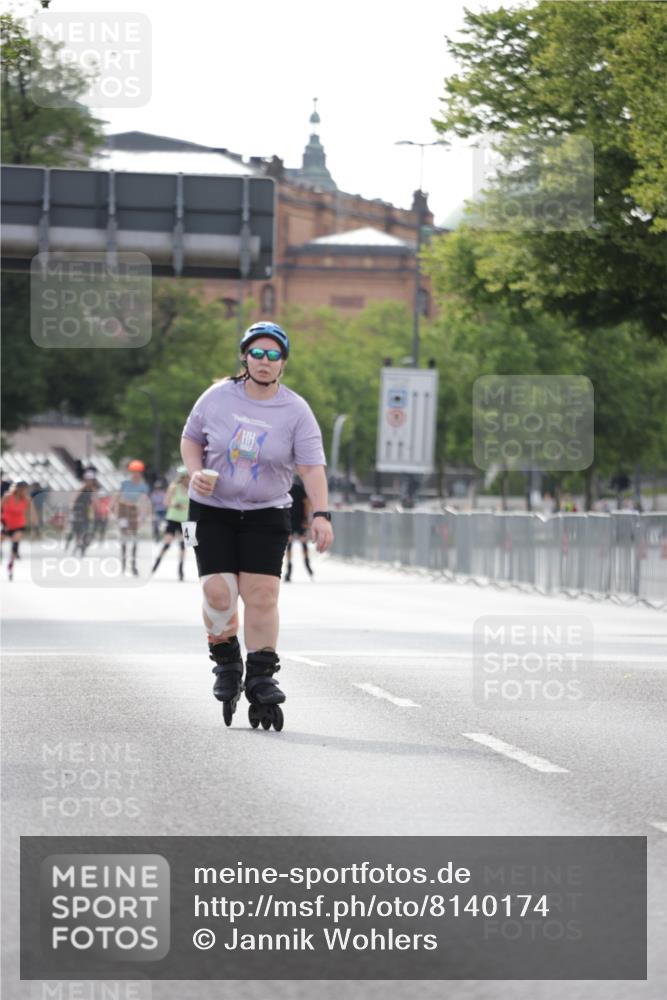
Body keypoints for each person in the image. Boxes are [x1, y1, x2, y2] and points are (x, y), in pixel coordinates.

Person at [180, 320, 334, 730]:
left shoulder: (296, 410)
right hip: (211, 509)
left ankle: (262, 676)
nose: (265, 362)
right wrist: (194, 471)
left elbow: (311, 467)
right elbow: (191, 438)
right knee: (219, 592)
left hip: (267, 511)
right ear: (245, 357)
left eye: (274, 355)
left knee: (262, 593)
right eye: (258, 353)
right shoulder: (217, 397)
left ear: (283, 362)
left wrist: (321, 513)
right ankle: (227, 660)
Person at [112, 459, 150, 575]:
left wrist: (143, 516)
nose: (135, 474)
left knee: (134, 539)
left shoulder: (143, 486)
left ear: (141, 473)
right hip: (123, 511)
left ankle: (133, 565)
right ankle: (123, 563)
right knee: (124, 536)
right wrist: (114, 509)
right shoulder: (125, 484)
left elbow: (144, 502)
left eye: (137, 472)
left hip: (134, 511)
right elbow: (117, 497)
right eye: (133, 472)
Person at [151, 466, 189, 580]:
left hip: (185, 520)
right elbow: (166, 502)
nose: (188, 478)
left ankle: (181, 569)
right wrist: (175, 504)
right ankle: (156, 565)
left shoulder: (191, 488)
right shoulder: (174, 487)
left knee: (183, 545)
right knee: (167, 543)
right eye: (186, 477)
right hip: (173, 518)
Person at [283, 474, 313, 581]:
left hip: (292, 519)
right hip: (299, 519)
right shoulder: (301, 488)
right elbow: (307, 504)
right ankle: (305, 564)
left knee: (290, 544)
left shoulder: (286, 489)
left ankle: (291, 568)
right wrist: (306, 519)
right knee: (302, 543)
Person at [1, 481, 34, 580]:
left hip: (19, 524)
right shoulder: (7, 497)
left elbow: (31, 512)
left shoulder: (27, 500)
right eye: (22, 489)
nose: (24, 491)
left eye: (25, 489)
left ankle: (11, 565)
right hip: (5, 523)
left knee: (15, 543)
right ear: (17, 489)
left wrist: (32, 524)